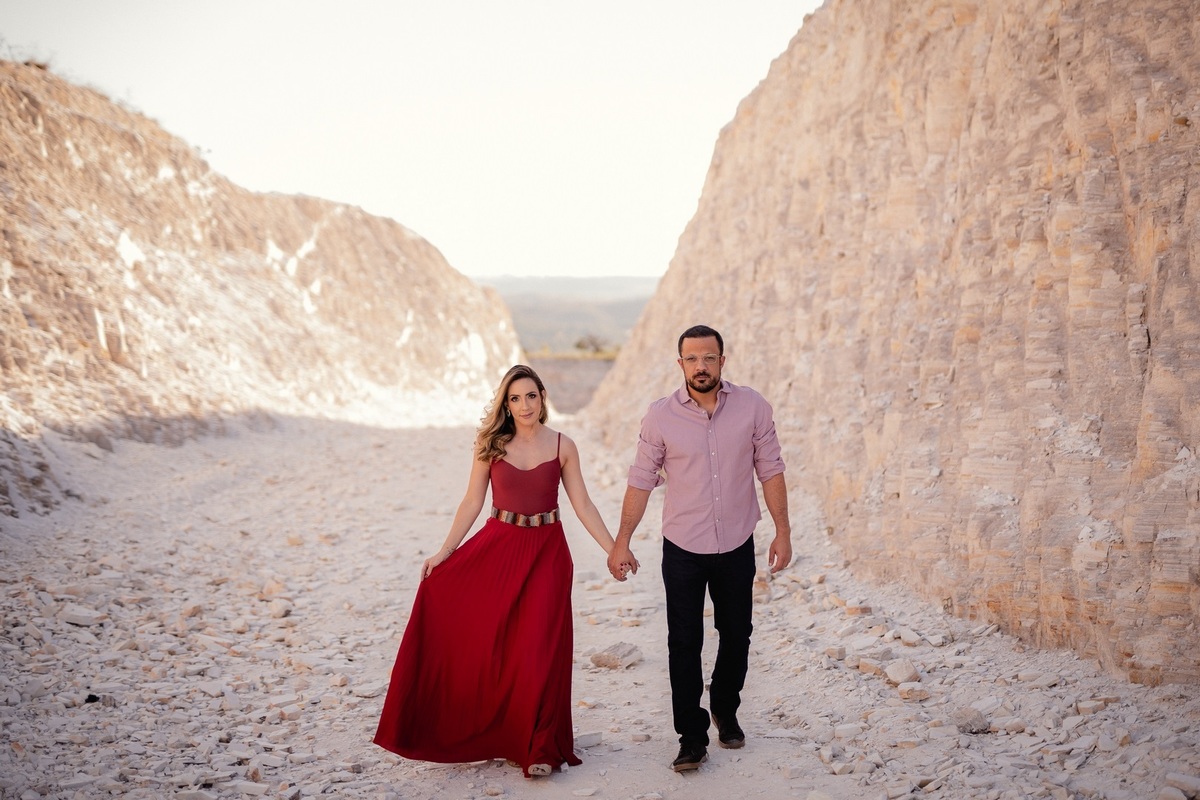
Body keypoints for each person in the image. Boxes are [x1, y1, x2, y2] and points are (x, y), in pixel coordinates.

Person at [374, 364, 630, 778]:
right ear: (505, 405)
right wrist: (445, 551)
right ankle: (508, 735)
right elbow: (472, 502)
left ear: (543, 397)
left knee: (541, 652)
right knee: (501, 649)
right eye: (514, 398)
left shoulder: (564, 445)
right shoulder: (490, 444)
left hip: (548, 553)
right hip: (499, 548)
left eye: (531, 395)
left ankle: (541, 748)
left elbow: (583, 504)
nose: (524, 405)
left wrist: (614, 549)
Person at [606, 324, 792, 773]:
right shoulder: (661, 416)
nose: (701, 366)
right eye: (692, 359)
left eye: (709, 357)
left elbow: (771, 470)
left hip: (735, 543)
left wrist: (782, 531)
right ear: (681, 363)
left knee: (737, 633)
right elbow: (641, 480)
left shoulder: (752, 407)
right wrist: (622, 541)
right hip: (684, 547)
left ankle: (725, 710)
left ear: (723, 361)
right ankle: (691, 737)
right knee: (683, 641)